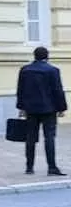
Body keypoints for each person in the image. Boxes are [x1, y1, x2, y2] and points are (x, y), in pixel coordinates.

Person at [16, 46, 66, 176]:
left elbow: (20, 90)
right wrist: (62, 108)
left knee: (30, 138)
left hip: (30, 109)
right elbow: (58, 90)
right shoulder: (53, 70)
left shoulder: (25, 70)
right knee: (49, 137)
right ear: (47, 56)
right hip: (48, 109)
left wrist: (21, 107)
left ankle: (29, 167)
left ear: (34, 56)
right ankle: (51, 167)